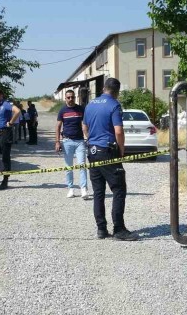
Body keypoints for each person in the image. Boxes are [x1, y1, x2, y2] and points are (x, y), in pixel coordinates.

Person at [82, 78, 137, 241]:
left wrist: (92, 140)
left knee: (98, 192)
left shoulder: (90, 105)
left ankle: (101, 229)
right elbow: (118, 131)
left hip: (92, 151)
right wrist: (121, 150)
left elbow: (84, 127)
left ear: (104, 88)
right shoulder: (114, 105)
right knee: (119, 189)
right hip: (108, 151)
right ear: (117, 92)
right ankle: (119, 229)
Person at [55, 89, 89, 199]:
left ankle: (83, 189)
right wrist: (57, 142)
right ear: (65, 98)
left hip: (79, 141)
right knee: (68, 167)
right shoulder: (62, 110)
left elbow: (85, 125)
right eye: (68, 97)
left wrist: (88, 137)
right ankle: (70, 189)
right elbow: (58, 127)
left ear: (75, 97)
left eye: (72, 97)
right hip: (67, 142)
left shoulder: (80, 109)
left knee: (82, 165)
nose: (71, 99)